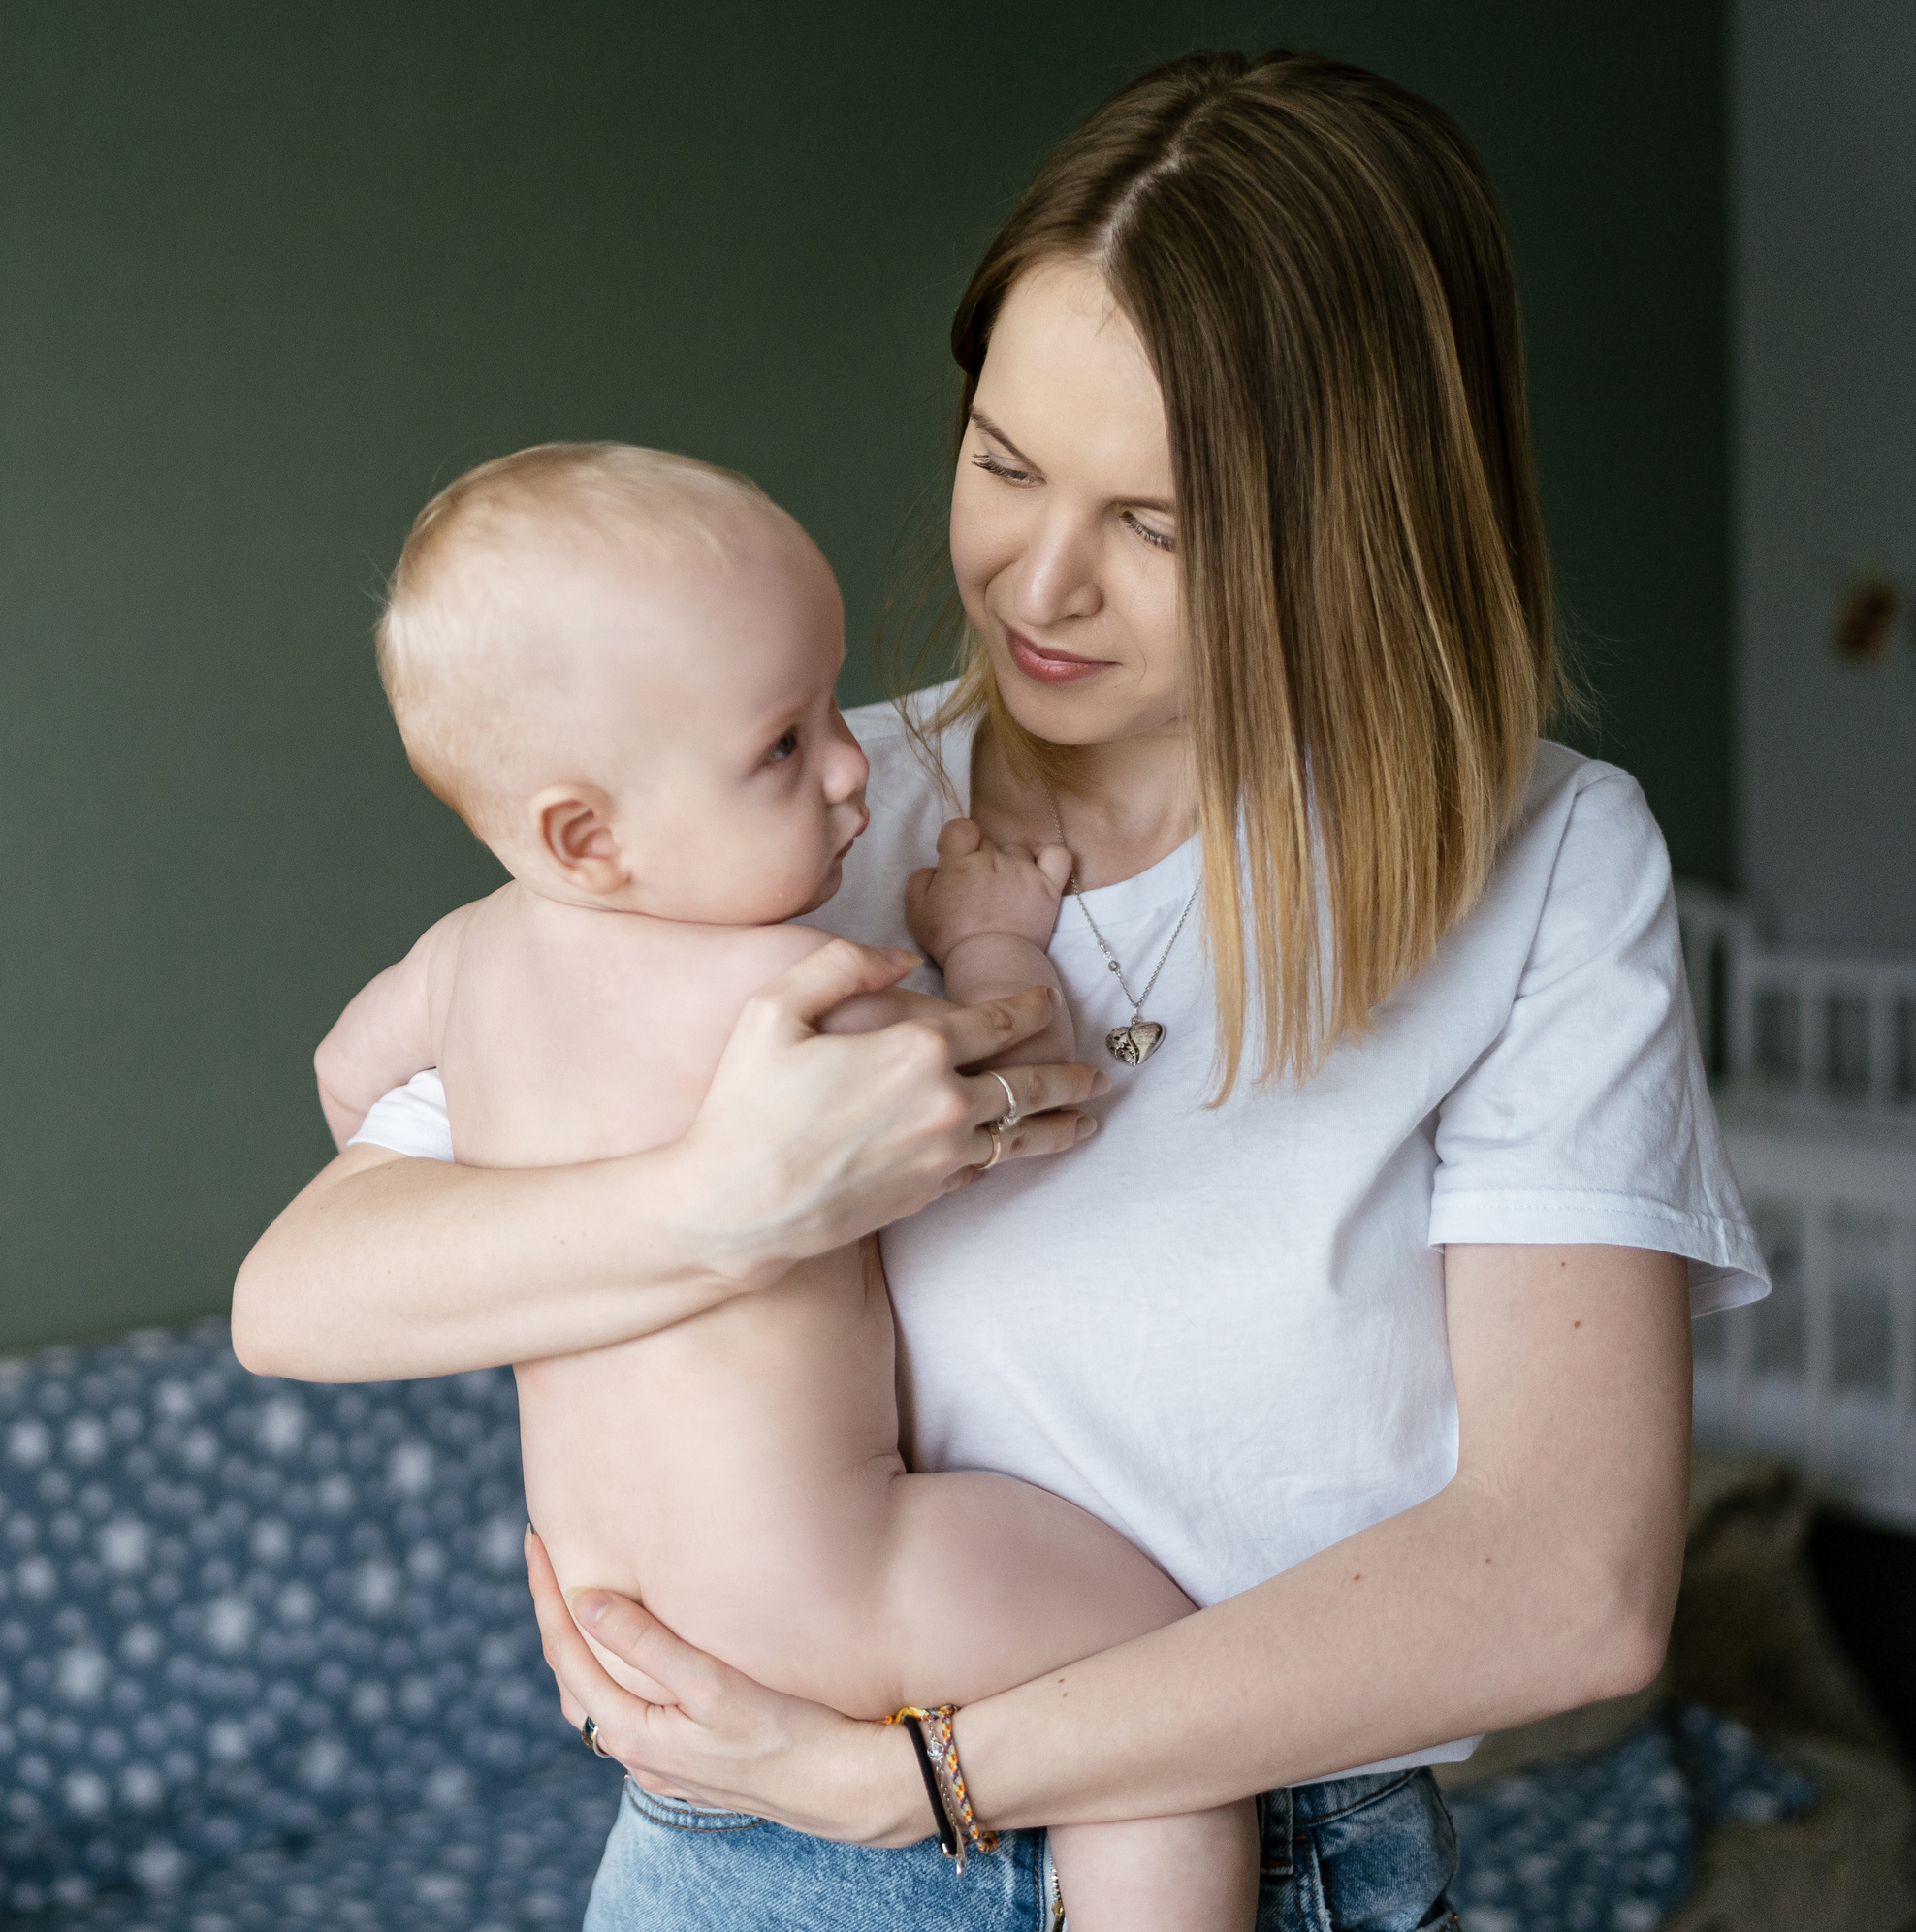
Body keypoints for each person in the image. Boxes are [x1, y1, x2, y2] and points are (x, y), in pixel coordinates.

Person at [234, 48, 1767, 1932]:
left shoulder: (1537, 864)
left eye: (1159, 521)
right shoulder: (769, 824)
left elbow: (1567, 1587)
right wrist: (724, 1201)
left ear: (1354, 517)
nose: (1035, 582)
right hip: (746, 1857)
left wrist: (918, 1776)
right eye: (1002, 461)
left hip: (1222, 1839)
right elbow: (309, 1284)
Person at [311, 437, 1259, 1927]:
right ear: (587, 833)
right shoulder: (797, 986)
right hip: (838, 1585)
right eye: (781, 743)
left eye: (833, 708)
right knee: (1163, 1692)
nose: (846, 770)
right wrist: (996, 932)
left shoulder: (456, 961)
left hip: (636, 1629)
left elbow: (343, 1083)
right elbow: (1018, 1073)